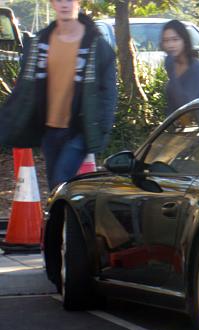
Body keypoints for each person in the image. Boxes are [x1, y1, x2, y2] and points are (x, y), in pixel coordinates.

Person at [0, 0, 117, 190]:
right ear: (53, 4)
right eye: (59, 0)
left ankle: (62, 216)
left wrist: (101, 126)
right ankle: (67, 218)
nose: (65, 4)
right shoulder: (41, 41)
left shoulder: (95, 45)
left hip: (78, 130)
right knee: (57, 187)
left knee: (60, 180)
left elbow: (108, 91)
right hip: (49, 129)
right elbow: (25, 87)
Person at [161, 20, 199, 114]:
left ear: (184, 41)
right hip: (176, 125)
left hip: (196, 126)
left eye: (175, 39)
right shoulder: (171, 62)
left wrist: (172, 74)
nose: (170, 45)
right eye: (166, 41)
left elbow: (186, 105)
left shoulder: (195, 67)